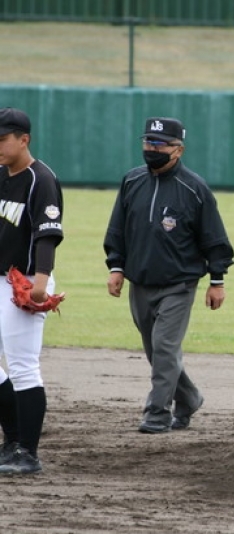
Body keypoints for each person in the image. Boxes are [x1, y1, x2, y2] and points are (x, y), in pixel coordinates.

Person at [104, 117, 234, 434]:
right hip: (139, 283)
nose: (152, 148)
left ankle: (158, 414)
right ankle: (188, 398)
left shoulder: (195, 189)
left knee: (164, 348)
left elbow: (215, 239)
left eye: (161, 144)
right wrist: (116, 266)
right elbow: (117, 228)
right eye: (148, 142)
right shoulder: (132, 181)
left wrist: (217, 281)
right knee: (157, 352)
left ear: (178, 150)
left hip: (179, 284)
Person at [0, 107, 65, 475]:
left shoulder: (42, 180)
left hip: (24, 283)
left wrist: (41, 282)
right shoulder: (0, 175)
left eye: (2, 140)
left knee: (23, 367)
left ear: (23, 139)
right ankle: (12, 442)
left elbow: (47, 235)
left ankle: (28, 452)